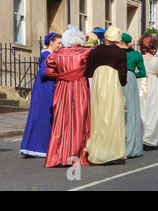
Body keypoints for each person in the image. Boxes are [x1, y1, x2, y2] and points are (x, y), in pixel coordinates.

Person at [43, 26, 91, 168]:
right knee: (79, 119)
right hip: (79, 87)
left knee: (62, 121)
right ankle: (77, 155)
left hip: (63, 88)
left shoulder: (56, 56)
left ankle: (57, 156)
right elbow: (89, 70)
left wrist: (63, 75)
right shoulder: (84, 53)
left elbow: (50, 72)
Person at [84, 26, 128, 165]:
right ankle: (113, 151)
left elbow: (88, 71)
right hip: (112, 85)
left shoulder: (95, 51)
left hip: (98, 85)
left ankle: (99, 148)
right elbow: (122, 76)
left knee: (99, 116)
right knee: (113, 115)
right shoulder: (120, 53)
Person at [20, 33, 62, 158]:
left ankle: (32, 147)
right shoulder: (46, 55)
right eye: (58, 43)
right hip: (44, 89)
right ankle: (38, 147)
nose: (60, 45)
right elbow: (45, 72)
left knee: (42, 116)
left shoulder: (50, 55)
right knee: (43, 117)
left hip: (46, 87)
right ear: (51, 42)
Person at [119, 33, 146, 158]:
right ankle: (131, 145)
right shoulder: (136, 55)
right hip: (130, 81)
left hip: (116, 79)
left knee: (117, 111)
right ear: (129, 42)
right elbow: (143, 73)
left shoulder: (116, 53)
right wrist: (131, 74)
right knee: (131, 111)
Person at [139, 34, 158, 151]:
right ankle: (151, 139)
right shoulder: (156, 60)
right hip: (153, 83)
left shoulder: (139, 58)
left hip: (142, 83)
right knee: (153, 111)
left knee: (142, 108)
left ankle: (142, 136)